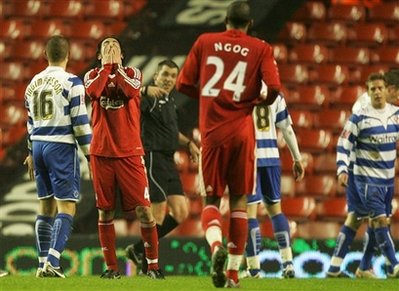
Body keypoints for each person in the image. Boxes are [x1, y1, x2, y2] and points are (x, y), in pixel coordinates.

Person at [176, 1, 281, 287]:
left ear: (225, 21)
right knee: (239, 200)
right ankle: (234, 273)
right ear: (249, 25)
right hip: (243, 133)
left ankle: (215, 247)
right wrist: (259, 100)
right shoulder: (260, 47)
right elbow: (274, 89)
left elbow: (182, 84)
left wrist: (209, 97)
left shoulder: (205, 41)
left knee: (211, 199)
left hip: (212, 132)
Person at [84, 36, 163, 279]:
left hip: (130, 153)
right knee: (105, 212)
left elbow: (128, 91)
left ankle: (152, 266)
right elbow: (94, 92)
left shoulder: (133, 73)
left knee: (144, 211)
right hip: (101, 153)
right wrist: (107, 69)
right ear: (98, 55)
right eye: (106, 46)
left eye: (115, 46)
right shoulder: (90, 75)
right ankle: (111, 268)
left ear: (122, 55)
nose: (111, 48)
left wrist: (114, 69)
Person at [23, 35, 92, 278]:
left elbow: (29, 121)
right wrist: (91, 155)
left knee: (45, 207)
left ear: (45, 54)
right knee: (67, 207)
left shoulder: (33, 82)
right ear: (68, 55)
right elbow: (80, 122)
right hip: (60, 145)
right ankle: (53, 260)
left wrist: (31, 151)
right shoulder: (72, 82)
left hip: (39, 145)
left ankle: (42, 263)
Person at [125, 59, 200, 273]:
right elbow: (127, 95)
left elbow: (170, 132)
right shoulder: (149, 97)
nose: (168, 79)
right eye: (164, 74)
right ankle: (149, 265)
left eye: (172, 76)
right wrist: (145, 89)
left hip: (168, 161)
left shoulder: (169, 101)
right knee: (157, 214)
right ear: (156, 75)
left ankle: (138, 250)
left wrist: (189, 143)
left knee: (180, 211)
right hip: (153, 157)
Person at [327, 70, 399, 278]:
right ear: (391, 89)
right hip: (360, 171)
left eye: (381, 89)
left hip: (379, 174)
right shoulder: (362, 110)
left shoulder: (391, 111)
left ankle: (343, 268)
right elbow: (349, 141)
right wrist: (344, 169)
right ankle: (393, 265)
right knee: (378, 219)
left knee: (357, 218)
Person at [243, 92, 304, 279]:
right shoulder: (275, 94)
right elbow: (287, 129)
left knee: (249, 213)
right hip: (271, 159)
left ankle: (253, 269)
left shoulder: (241, 90)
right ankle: (288, 263)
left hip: (250, 158)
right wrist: (297, 158)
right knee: (276, 210)